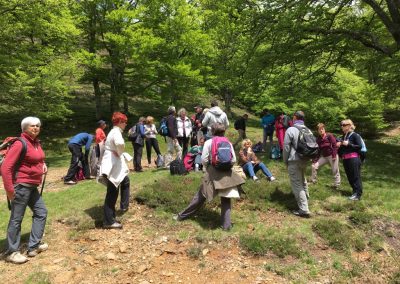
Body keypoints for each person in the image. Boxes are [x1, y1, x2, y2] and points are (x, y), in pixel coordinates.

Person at [173, 123, 244, 230]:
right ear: (223, 131)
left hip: (212, 172)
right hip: (227, 173)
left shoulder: (209, 142)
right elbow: (233, 159)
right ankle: (226, 226)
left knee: (200, 196)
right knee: (226, 200)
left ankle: (181, 216)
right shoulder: (228, 142)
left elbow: (204, 159)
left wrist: (209, 168)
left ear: (213, 131)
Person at [1, 117, 48, 264]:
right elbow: (5, 167)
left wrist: (43, 165)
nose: (35, 128)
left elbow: (37, 158)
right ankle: (11, 252)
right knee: (16, 219)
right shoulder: (20, 143)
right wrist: (9, 190)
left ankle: (33, 246)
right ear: (24, 128)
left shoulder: (35, 143)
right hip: (20, 186)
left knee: (41, 212)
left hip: (32, 186)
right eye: (32, 126)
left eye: (38, 125)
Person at [100, 112, 130, 229]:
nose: (126, 124)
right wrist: (120, 152)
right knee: (112, 191)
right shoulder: (116, 132)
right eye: (124, 122)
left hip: (112, 162)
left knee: (124, 181)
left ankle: (122, 207)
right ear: (119, 122)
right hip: (112, 164)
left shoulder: (113, 131)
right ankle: (108, 221)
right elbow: (120, 143)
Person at [283, 111, 311, 218]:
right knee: (303, 179)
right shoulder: (307, 129)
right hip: (305, 159)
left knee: (297, 184)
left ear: (295, 117)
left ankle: (304, 209)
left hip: (294, 160)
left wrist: (285, 161)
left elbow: (286, 147)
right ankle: (306, 199)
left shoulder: (291, 129)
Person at [337, 119, 364, 201]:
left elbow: (359, 146)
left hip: (353, 158)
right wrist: (339, 145)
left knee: (355, 176)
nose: (342, 126)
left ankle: (358, 194)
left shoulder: (355, 135)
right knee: (350, 177)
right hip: (346, 159)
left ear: (349, 125)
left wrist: (349, 144)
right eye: (341, 125)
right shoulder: (343, 136)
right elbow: (342, 148)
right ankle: (354, 192)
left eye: (344, 125)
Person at [311, 123, 340, 189]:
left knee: (335, 170)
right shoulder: (318, 139)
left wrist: (334, 155)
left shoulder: (329, 135)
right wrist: (314, 160)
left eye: (322, 129)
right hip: (324, 157)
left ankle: (336, 184)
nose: (321, 130)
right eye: (319, 129)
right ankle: (313, 181)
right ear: (318, 131)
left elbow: (334, 145)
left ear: (324, 129)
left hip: (332, 155)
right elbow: (318, 150)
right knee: (314, 166)